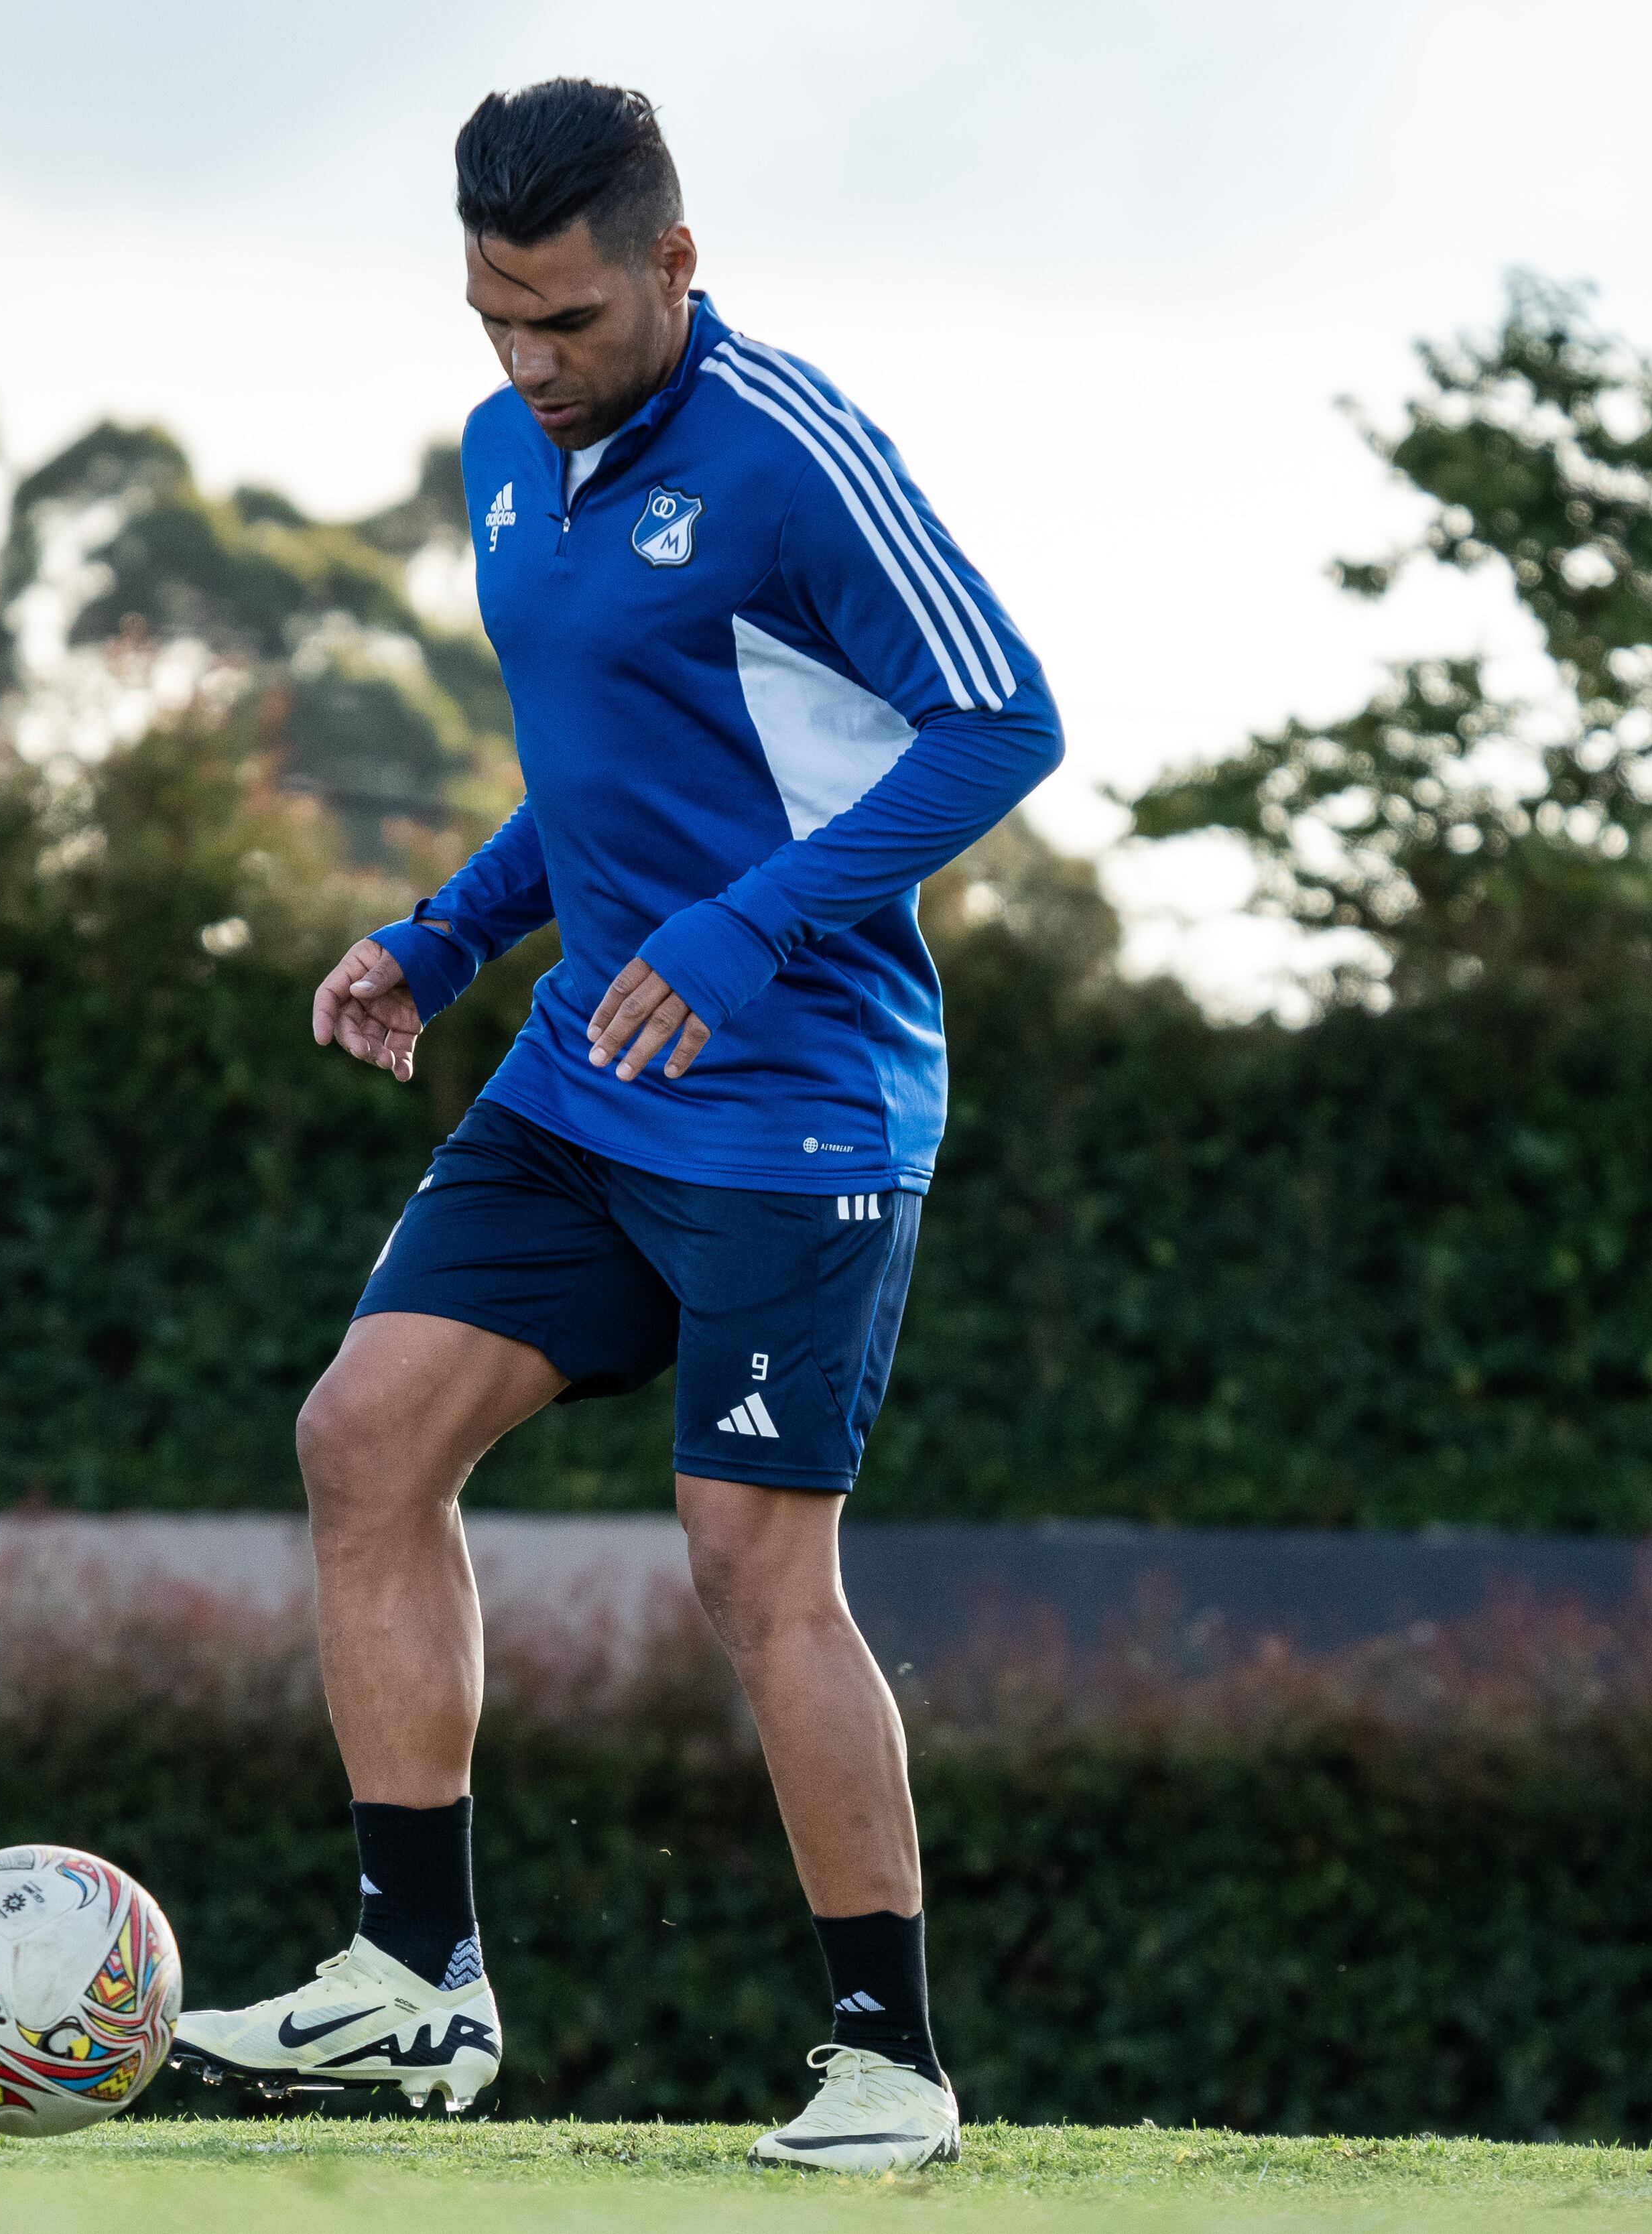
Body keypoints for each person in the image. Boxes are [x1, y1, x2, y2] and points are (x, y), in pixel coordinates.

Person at [166, 80, 1063, 2171]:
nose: (527, 364)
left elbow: (1005, 716)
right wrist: (448, 931)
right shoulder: (509, 459)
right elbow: (606, 770)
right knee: (360, 1436)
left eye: (564, 319)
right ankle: (413, 1985)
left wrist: (755, 926)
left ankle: (890, 2061)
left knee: (755, 1570)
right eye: (493, 318)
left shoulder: (793, 454)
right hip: (582, 1072)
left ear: (672, 259)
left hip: (799, 1097)